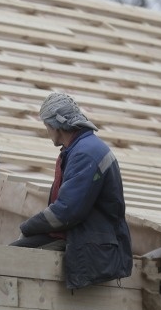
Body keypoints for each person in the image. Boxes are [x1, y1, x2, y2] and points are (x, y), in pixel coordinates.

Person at [11, 92, 133, 289]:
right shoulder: (81, 148)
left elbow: (65, 212)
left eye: (46, 126)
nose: (46, 132)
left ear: (56, 126)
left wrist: (27, 227)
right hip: (87, 236)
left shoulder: (85, 153)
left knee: (12, 257)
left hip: (92, 243)